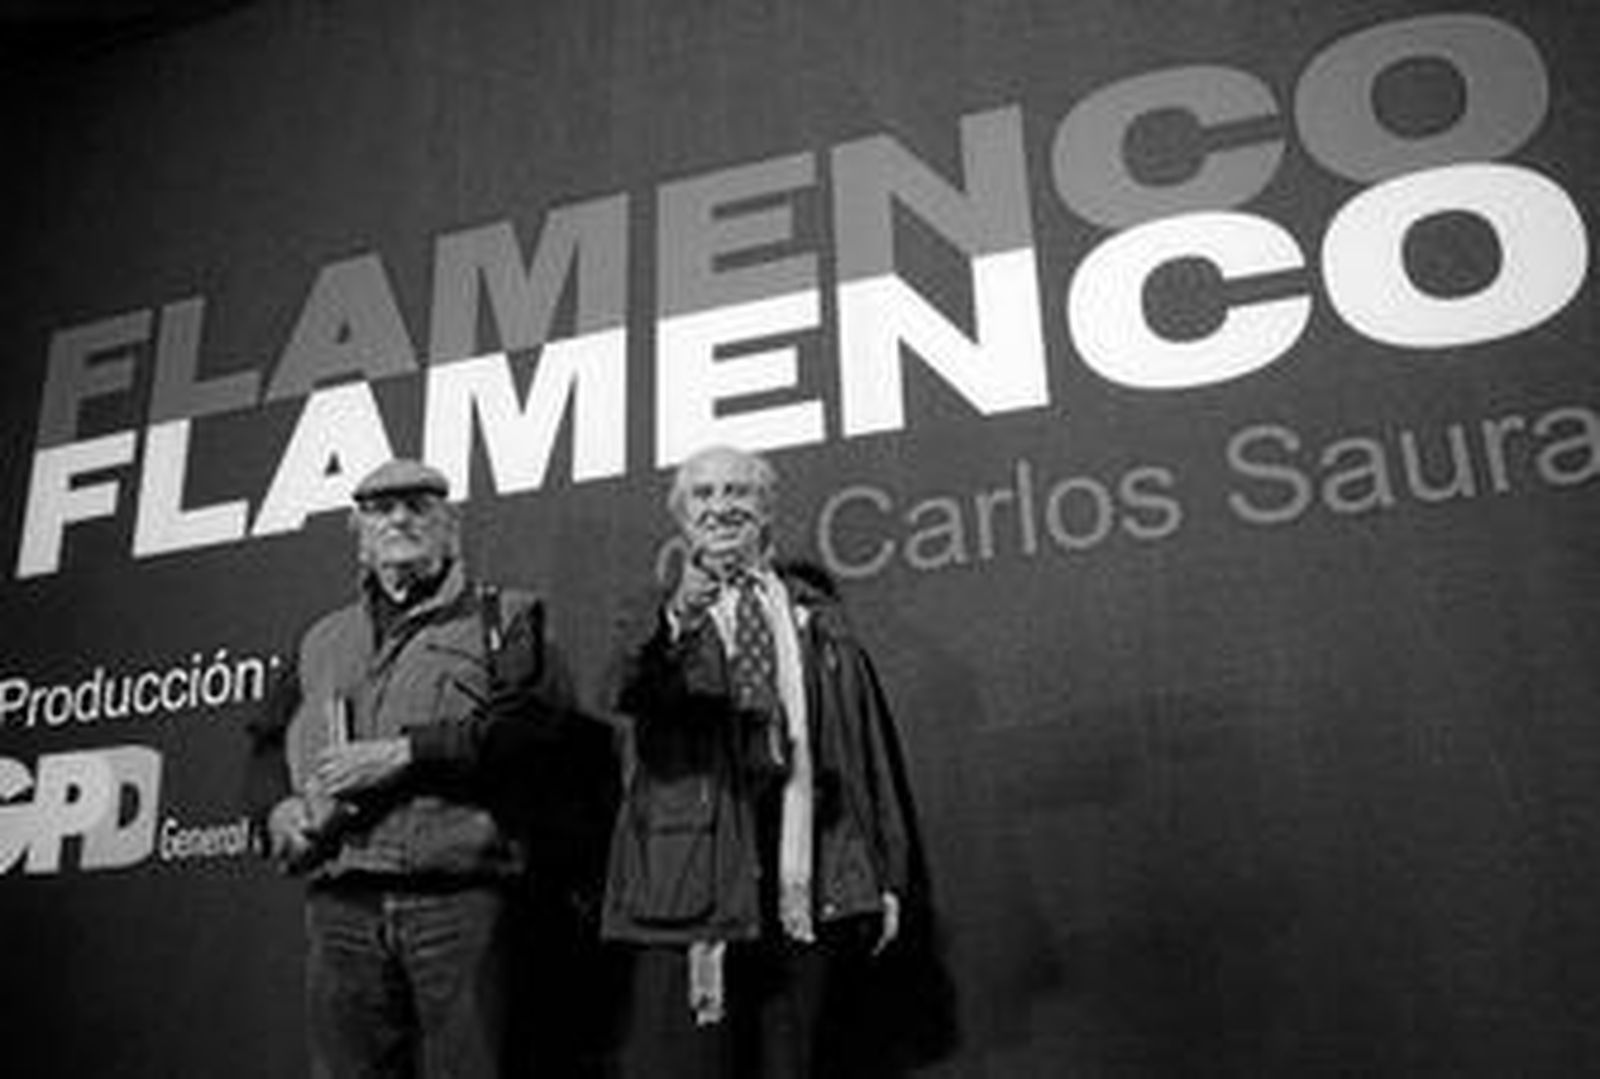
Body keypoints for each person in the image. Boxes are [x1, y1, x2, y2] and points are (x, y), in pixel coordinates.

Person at [245, 458, 612, 1079]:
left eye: (418, 507)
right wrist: (276, 811)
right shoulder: (321, 637)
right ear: (359, 532)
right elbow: (264, 743)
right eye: (381, 510)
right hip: (341, 904)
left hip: (460, 899)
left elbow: (531, 731)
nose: (399, 520)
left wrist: (405, 754)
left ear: (451, 525)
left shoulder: (506, 617)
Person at [601, 445, 919, 1078]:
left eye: (738, 493)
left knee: (795, 1060)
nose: (721, 507)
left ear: (767, 510)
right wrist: (682, 614)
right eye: (704, 495)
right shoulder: (656, 614)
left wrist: (886, 873)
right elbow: (625, 689)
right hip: (701, 873)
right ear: (681, 516)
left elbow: (864, 752)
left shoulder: (820, 621)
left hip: (807, 869)